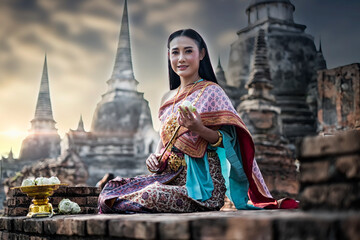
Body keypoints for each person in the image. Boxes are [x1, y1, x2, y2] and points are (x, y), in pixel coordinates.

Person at [98, 29, 298, 213]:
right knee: (112, 188)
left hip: (204, 188)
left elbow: (228, 141)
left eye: (188, 51)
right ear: (169, 56)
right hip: (168, 179)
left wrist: (199, 128)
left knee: (149, 195)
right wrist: (155, 158)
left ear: (201, 54)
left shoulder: (212, 91)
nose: (181, 58)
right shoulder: (166, 98)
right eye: (175, 52)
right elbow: (163, 144)